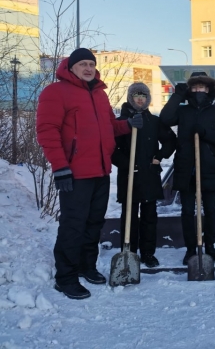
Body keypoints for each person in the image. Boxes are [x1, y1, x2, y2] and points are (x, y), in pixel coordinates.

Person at [37, 48, 140, 300]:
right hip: (74, 173)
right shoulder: (55, 92)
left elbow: (108, 127)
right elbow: (47, 131)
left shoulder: (100, 94)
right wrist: (60, 166)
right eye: (82, 64)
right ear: (70, 67)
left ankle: (86, 266)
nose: (88, 68)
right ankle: (66, 277)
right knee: (73, 225)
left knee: (94, 223)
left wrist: (126, 125)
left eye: (91, 64)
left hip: (101, 171)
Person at [160, 73, 215, 265]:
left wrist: (206, 133)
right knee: (187, 211)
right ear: (190, 90)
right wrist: (177, 96)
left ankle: (209, 247)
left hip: (208, 166)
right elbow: (165, 119)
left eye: (202, 87)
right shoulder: (183, 112)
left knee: (210, 210)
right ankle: (191, 249)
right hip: (186, 166)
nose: (198, 91)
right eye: (195, 87)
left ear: (209, 90)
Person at [111, 83, 176, 268]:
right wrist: (126, 164)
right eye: (136, 96)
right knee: (129, 215)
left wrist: (160, 156)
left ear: (148, 99)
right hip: (128, 176)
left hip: (149, 175)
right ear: (130, 98)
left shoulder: (154, 122)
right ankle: (128, 252)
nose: (140, 99)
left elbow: (171, 141)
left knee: (149, 217)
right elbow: (111, 149)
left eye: (144, 96)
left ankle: (148, 253)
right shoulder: (120, 121)